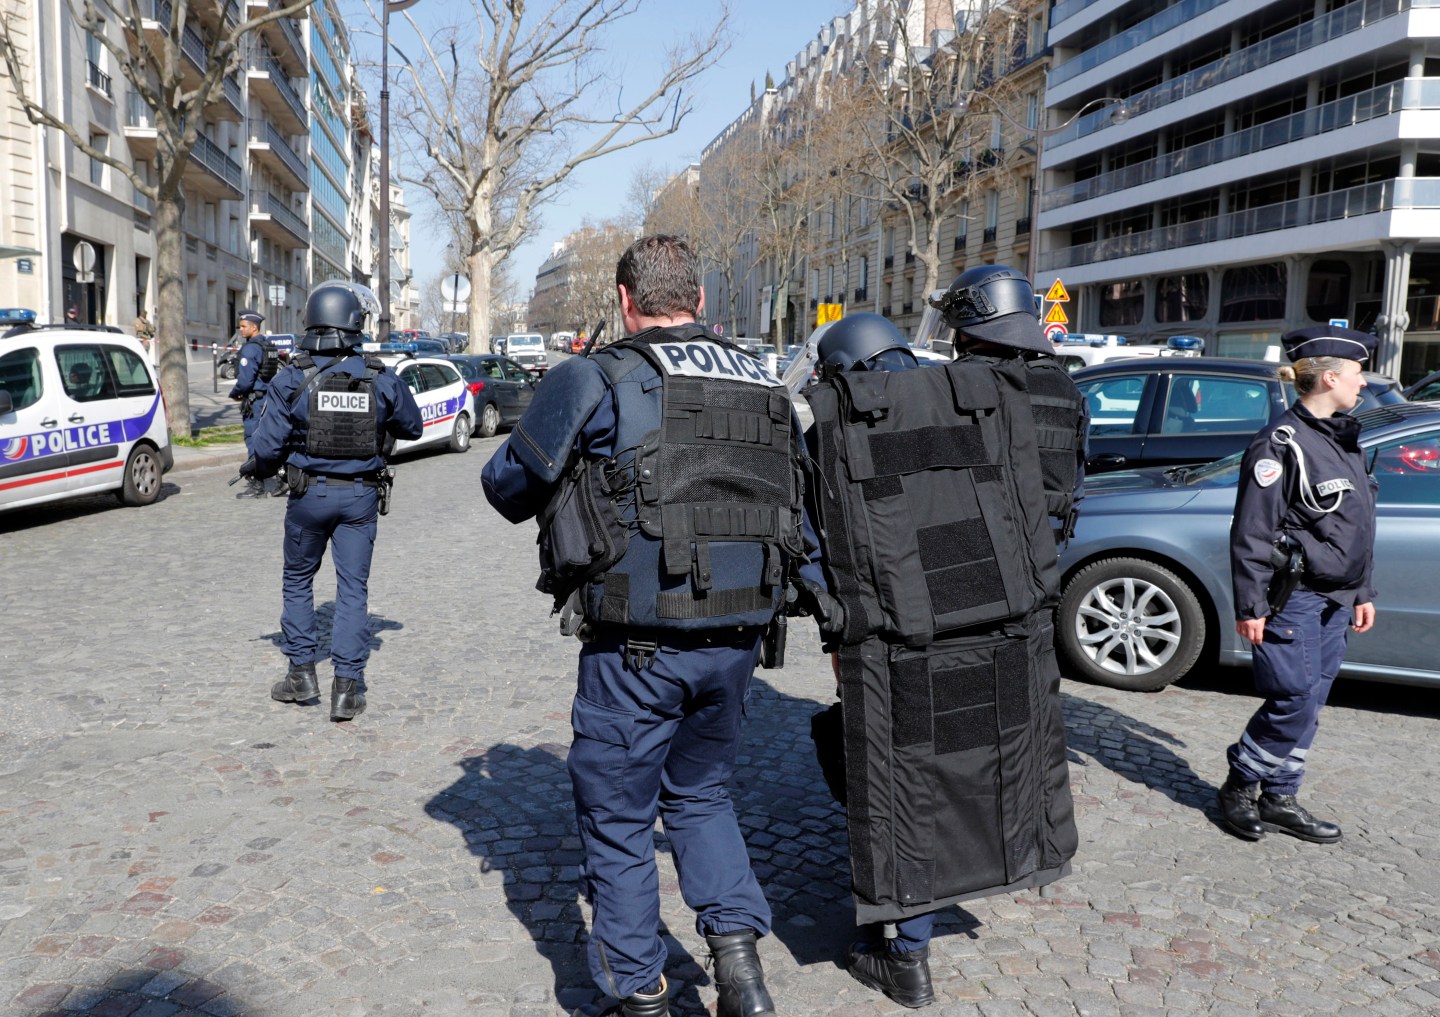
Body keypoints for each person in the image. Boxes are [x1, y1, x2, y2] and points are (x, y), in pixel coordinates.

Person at [482, 235, 801, 1017]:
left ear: (625, 302)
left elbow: (506, 487)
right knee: (702, 795)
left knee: (620, 817)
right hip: (736, 643)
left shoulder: (597, 375)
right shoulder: (763, 381)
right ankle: (741, 973)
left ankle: (642, 993)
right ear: (701, 299)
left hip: (637, 648)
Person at [793, 307, 1080, 1009]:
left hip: (897, 639)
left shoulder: (833, 421)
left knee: (901, 777)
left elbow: (809, 546)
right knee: (980, 757)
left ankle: (906, 955)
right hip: (999, 626)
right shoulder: (986, 398)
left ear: (843, 370)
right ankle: (978, 880)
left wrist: (836, 626)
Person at [1218, 325, 1378, 845]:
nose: (1364, 384)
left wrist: (1363, 591)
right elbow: (1253, 532)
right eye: (1357, 374)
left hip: (1336, 599)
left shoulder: (1343, 437)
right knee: (1291, 699)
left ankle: (1280, 795)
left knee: (1312, 702)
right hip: (1295, 598)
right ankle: (1240, 785)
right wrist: (1250, 605)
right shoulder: (1279, 444)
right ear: (1330, 376)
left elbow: (1357, 524)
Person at [239, 282, 422, 721]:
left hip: (307, 496)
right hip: (360, 498)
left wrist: (257, 471)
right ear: (354, 323)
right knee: (352, 590)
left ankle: (301, 675)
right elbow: (413, 426)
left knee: (298, 581)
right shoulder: (379, 377)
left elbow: (265, 451)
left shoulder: (290, 377)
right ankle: (346, 688)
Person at [927, 264, 1088, 542]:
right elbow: (1076, 487)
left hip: (970, 550)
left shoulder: (944, 385)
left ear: (964, 328)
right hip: (1044, 552)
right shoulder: (1066, 388)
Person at [230, 309, 283, 499]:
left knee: (253, 439)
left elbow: (245, 381)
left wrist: (235, 393)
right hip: (268, 399)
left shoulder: (251, 348)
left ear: (254, 327)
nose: (241, 329)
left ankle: (259, 484)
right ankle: (275, 481)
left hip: (255, 401)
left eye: (244, 326)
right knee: (268, 440)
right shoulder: (268, 345)